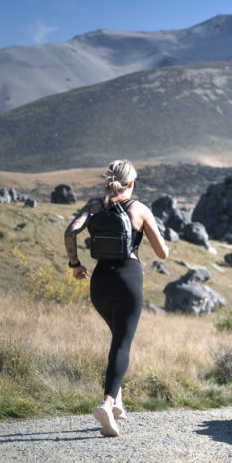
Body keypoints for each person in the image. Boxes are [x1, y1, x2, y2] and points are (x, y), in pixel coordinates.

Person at [64, 160, 169, 437]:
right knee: (122, 344)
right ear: (131, 183)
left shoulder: (94, 207)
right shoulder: (140, 209)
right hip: (128, 280)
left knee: (117, 341)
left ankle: (118, 402)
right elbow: (162, 254)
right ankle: (107, 404)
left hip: (99, 282)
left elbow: (70, 231)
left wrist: (75, 264)